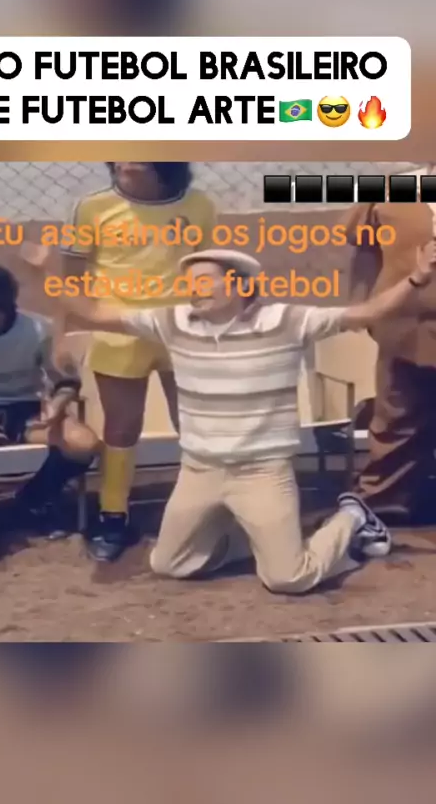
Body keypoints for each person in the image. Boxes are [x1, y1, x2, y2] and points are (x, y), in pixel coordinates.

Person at [22, 241, 436, 593]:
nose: (193, 290)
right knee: (171, 564)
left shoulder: (287, 320)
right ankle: (260, 541)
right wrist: (46, 272)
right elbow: (92, 314)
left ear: (239, 285)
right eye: (188, 283)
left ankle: (352, 518)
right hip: (199, 470)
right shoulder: (172, 321)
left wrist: (417, 278)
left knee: (288, 578)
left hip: (263, 472)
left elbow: (368, 313)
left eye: (204, 281)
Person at [56, 162, 216, 560]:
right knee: (122, 426)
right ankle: (113, 515)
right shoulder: (91, 207)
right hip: (119, 332)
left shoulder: (199, 205)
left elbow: (207, 271)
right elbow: (71, 278)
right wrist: (63, 335)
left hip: (183, 329)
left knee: (194, 424)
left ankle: (203, 509)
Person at [0, 261, 99, 561]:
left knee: (82, 443)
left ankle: (31, 502)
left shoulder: (38, 330)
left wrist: (58, 405)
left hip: (22, 410)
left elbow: (66, 380)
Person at [344, 201, 436, 524]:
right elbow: (365, 253)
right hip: (403, 327)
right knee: (397, 418)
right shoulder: (386, 197)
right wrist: (360, 306)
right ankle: (382, 501)